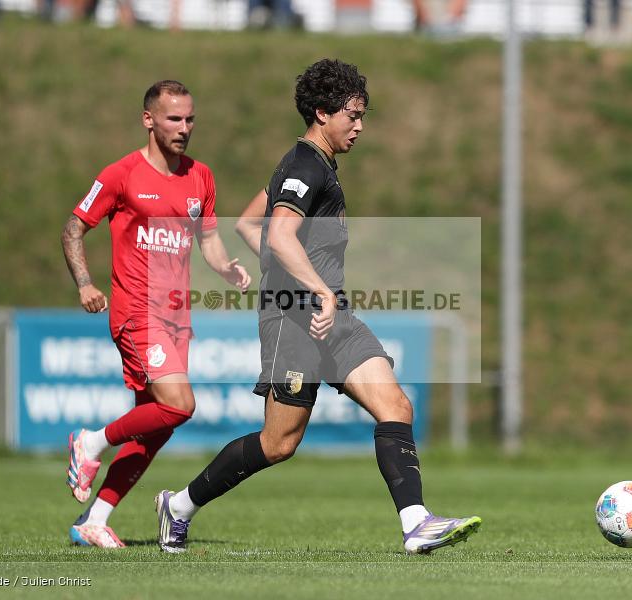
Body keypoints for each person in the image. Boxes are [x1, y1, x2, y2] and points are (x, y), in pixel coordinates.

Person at [154, 59, 481, 555]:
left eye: (364, 114)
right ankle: (178, 506)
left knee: (396, 405)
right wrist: (314, 288)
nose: (360, 125)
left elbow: (249, 223)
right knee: (278, 443)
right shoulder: (305, 164)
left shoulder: (311, 165)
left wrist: (294, 274)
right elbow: (280, 232)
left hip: (334, 318)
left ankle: (416, 524)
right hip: (294, 319)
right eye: (353, 114)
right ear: (323, 113)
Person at [60, 80, 251, 548]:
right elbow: (73, 228)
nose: (183, 128)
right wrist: (85, 283)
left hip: (176, 317)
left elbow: (207, 238)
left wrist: (225, 266)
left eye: (189, 119)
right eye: (173, 119)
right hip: (136, 311)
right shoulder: (121, 174)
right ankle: (92, 441)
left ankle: (95, 519)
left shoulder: (200, 176)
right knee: (179, 405)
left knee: (158, 423)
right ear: (149, 119)